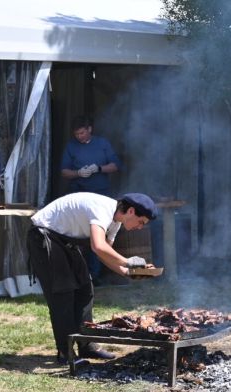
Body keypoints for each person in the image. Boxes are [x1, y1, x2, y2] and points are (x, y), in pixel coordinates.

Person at [27, 192, 158, 363]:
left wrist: (129, 273)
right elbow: (98, 246)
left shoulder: (115, 222)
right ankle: (66, 352)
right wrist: (129, 262)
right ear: (131, 211)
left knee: (85, 290)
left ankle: (87, 346)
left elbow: (104, 254)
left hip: (66, 242)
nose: (140, 227)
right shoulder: (102, 209)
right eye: (141, 222)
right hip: (44, 237)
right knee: (63, 295)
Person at [59, 115, 123, 281]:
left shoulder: (102, 144)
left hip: (101, 195)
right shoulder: (71, 146)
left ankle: (95, 275)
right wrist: (78, 173)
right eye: (76, 134)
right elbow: (64, 172)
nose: (79, 137)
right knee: (77, 233)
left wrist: (99, 169)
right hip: (78, 195)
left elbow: (116, 166)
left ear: (89, 129)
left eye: (82, 133)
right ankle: (78, 274)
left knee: (100, 234)